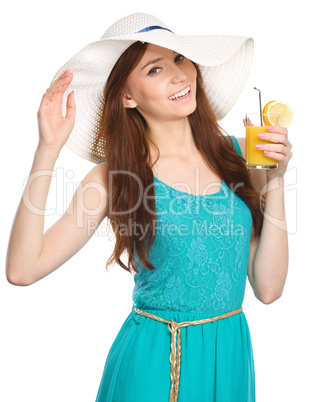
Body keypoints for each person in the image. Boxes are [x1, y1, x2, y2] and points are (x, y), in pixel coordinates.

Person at [5, 12, 292, 402]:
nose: (179, 75)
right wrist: (48, 149)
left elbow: (269, 289)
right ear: (127, 95)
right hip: (152, 366)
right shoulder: (114, 177)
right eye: (155, 69)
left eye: (179, 58)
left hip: (229, 362)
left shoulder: (240, 157)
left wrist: (274, 179)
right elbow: (22, 270)